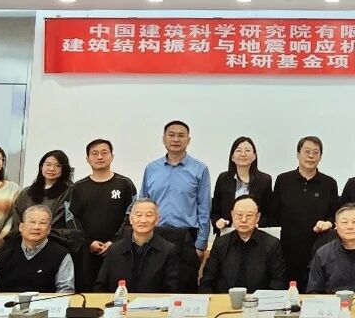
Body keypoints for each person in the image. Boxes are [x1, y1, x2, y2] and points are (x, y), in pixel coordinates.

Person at [273, 136, 340, 291]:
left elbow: (334, 214)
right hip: (287, 250)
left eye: (315, 152)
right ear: (298, 154)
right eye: (307, 151)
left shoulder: (329, 183)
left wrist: (328, 223)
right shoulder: (283, 180)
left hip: (318, 249)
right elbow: (274, 214)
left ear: (320, 157)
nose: (311, 156)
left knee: (315, 291)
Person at [69, 139, 137, 291]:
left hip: (119, 250)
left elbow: (131, 215)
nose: (100, 157)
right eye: (95, 153)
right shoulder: (78, 187)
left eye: (104, 153)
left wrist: (115, 242)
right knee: (87, 290)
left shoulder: (125, 184)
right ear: (87, 159)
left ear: (112, 156)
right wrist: (88, 242)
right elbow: (71, 218)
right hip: (87, 251)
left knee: (117, 291)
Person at [139, 120, 211, 256]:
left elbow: (204, 208)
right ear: (163, 139)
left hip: (187, 235)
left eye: (181, 135)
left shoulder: (200, 169)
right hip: (154, 234)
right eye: (171, 135)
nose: (176, 139)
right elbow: (142, 203)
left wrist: (201, 243)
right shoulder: (151, 168)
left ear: (188, 140)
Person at [0, 205, 75, 293]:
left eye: (42, 223)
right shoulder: (4, 255)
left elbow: (66, 291)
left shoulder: (61, 255)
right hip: (7, 305)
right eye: (32, 222)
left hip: (45, 305)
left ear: (49, 229)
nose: (36, 227)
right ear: (21, 227)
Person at [199, 196, 287, 293]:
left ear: (257, 217)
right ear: (232, 215)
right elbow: (207, 281)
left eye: (249, 215)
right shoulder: (220, 244)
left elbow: (278, 283)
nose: (244, 220)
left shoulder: (272, 244)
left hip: (260, 301)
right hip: (225, 299)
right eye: (239, 215)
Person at [95, 198, 181, 292]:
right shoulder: (114, 250)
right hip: (119, 301)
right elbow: (100, 286)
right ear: (131, 219)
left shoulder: (168, 250)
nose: (143, 220)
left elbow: (172, 290)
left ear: (157, 219)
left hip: (154, 301)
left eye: (149, 215)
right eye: (138, 215)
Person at [211, 137, 273, 233]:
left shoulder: (264, 180)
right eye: (238, 150)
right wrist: (218, 222)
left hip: (254, 233)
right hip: (228, 232)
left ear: (254, 156)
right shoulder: (223, 178)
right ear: (232, 157)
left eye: (247, 150)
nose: (243, 154)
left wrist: (258, 224)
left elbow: (268, 213)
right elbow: (215, 210)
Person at [11, 150, 76, 237]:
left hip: (55, 239)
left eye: (57, 166)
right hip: (24, 239)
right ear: (41, 167)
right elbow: (17, 217)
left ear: (63, 169)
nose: (51, 169)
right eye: (48, 164)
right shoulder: (27, 192)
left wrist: (42, 234)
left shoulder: (69, 192)